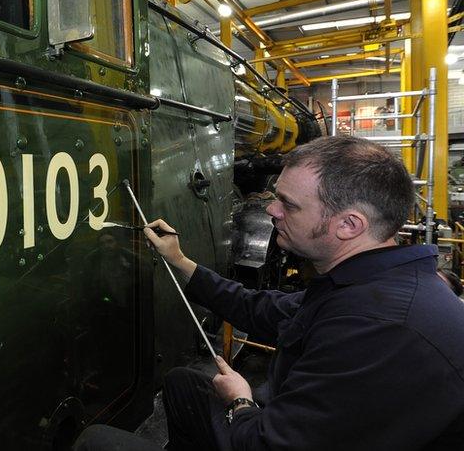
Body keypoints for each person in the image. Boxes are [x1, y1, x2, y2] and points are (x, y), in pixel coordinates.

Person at [76, 136, 464, 450]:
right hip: (287, 420)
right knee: (184, 384)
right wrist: (180, 261)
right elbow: (258, 309)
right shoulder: (363, 285)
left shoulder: (378, 328)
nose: (272, 210)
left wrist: (241, 401)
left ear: (348, 224)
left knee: (96, 442)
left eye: (289, 205)